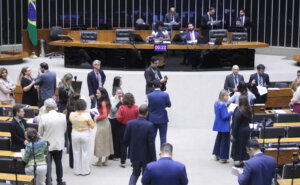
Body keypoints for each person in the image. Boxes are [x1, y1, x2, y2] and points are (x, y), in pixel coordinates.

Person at [123, 104, 156, 185]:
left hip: (134, 154)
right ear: (147, 113)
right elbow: (151, 143)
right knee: (146, 176)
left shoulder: (130, 124)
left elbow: (125, 140)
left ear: (138, 112)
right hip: (146, 156)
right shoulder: (150, 125)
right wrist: (154, 158)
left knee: (135, 173)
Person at [38, 98, 66, 185]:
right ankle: (59, 181)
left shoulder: (43, 117)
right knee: (58, 162)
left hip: (47, 144)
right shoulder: (62, 116)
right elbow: (64, 129)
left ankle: (48, 180)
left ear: (47, 108)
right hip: (58, 143)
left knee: (48, 164)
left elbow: (40, 132)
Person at [69, 99, 95, 175]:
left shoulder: (71, 114)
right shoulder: (87, 115)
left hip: (75, 133)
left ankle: (77, 171)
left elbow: (71, 122)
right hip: (85, 134)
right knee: (85, 152)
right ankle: (85, 170)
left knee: (76, 152)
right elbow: (92, 126)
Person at [93, 88, 114, 167]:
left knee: (100, 141)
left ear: (102, 94)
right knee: (107, 141)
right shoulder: (106, 102)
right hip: (106, 123)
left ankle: (99, 161)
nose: (96, 94)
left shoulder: (103, 103)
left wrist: (97, 118)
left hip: (102, 123)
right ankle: (106, 161)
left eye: (98, 93)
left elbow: (104, 115)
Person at [117, 93, 139, 168]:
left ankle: (123, 162)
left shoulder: (121, 107)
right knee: (133, 145)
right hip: (133, 127)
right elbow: (138, 118)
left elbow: (118, 118)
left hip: (123, 127)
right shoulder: (136, 107)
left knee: (123, 145)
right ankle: (133, 161)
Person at [148, 80, 171, 145]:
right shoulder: (165, 95)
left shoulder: (149, 95)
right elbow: (169, 105)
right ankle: (163, 153)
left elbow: (149, 106)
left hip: (152, 119)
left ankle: (152, 154)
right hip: (163, 118)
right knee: (163, 137)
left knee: (152, 138)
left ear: (153, 86)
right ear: (160, 85)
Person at [212, 89, 233, 163]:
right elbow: (224, 117)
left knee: (219, 140)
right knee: (225, 142)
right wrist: (231, 112)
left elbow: (217, 113)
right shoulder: (223, 105)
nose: (227, 97)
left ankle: (217, 155)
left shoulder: (216, 103)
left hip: (218, 124)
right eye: (226, 95)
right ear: (223, 96)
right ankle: (223, 157)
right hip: (224, 126)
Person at [231, 95, 251, 167]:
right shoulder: (248, 109)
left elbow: (236, 123)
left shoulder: (239, 111)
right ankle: (242, 159)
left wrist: (233, 133)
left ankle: (239, 161)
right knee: (244, 145)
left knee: (239, 145)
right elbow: (250, 120)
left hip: (240, 130)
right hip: (247, 129)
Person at [66, 93, 81, 169]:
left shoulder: (70, 106)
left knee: (72, 145)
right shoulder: (73, 109)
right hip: (72, 128)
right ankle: (73, 163)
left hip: (70, 127)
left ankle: (73, 162)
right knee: (72, 145)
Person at [108, 88, 123, 160]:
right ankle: (112, 154)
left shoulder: (121, 100)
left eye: (121, 93)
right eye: (118, 93)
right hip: (112, 120)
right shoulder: (112, 99)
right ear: (115, 93)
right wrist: (117, 101)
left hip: (119, 120)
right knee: (113, 137)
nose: (120, 95)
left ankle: (118, 154)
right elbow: (113, 110)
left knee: (118, 137)